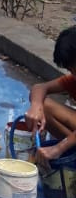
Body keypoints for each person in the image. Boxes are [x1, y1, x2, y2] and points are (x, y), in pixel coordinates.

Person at [25, 25, 76, 165]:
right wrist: (36, 107)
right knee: (44, 105)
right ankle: (71, 154)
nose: (73, 75)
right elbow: (40, 88)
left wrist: (59, 148)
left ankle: (66, 150)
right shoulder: (73, 80)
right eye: (71, 71)